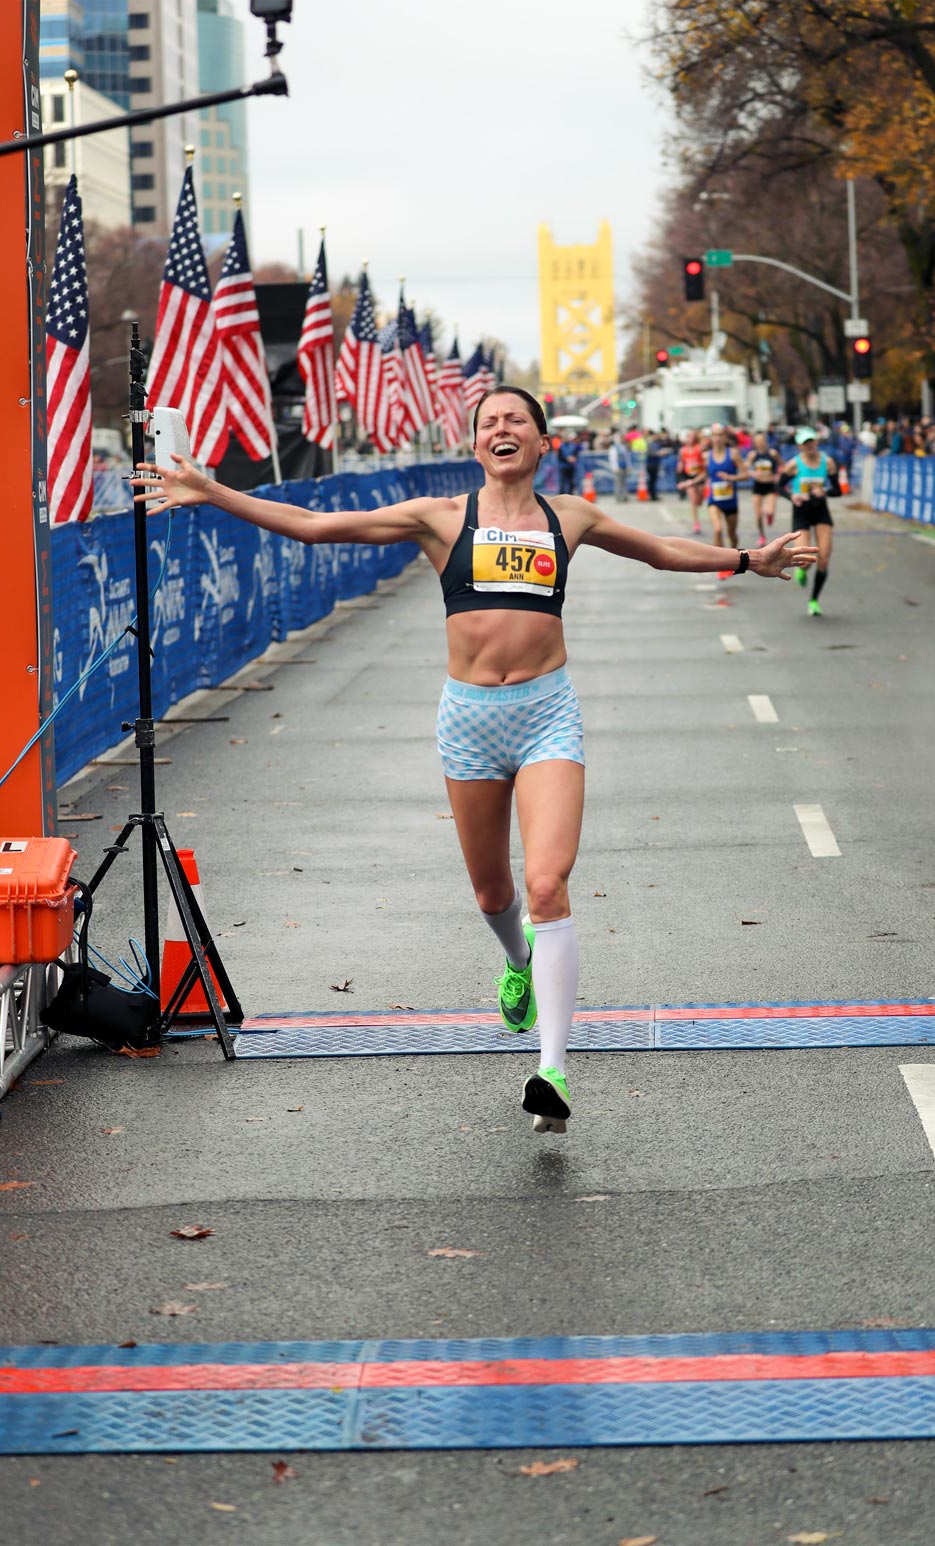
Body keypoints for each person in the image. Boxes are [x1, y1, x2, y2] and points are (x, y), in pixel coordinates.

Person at [132, 387, 817, 1136]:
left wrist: (748, 558)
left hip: (547, 714)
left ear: (542, 441)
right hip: (468, 722)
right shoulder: (441, 518)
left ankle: (552, 1068)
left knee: (547, 881)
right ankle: (517, 959)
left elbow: (661, 551)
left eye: (516, 419)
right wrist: (211, 491)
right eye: (490, 421)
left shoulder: (572, 517)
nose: (502, 428)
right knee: (494, 894)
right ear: (475, 444)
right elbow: (316, 527)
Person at [781, 425, 836, 617]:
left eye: (812, 441)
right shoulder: (793, 464)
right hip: (802, 511)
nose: (810, 445)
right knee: (806, 560)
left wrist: (825, 491)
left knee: (824, 558)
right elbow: (779, 486)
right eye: (806, 443)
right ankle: (802, 571)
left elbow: (838, 490)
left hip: (821, 511)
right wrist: (793, 496)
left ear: (817, 442)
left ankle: (814, 600)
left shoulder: (827, 463)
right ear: (799, 446)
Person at [705, 423, 744, 577]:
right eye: (715, 435)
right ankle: (721, 565)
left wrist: (731, 477)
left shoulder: (733, 454)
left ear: (726, 437)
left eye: (720, 435)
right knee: (718, 529)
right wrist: (691, 482)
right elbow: (705, 475)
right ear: (711, 438)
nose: (718, 438)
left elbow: (745, 474)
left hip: (730, 501)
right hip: (714, 500)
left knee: (732, 533)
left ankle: (733, 557)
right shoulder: (706, 456)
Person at [744, 430, 781, 547]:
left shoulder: (772, 453)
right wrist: (752, 473)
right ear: (754, 443)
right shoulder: (753, 455)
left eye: (762, 441)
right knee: (758, 514)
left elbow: (783, 465)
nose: (760, 443)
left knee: (769, 511)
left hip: (770, 486)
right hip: (758, 486)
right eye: (757, 441)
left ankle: (770, 515)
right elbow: (744, 468)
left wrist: (777, 476)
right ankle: (762, 535)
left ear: (766, 441)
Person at [676, 429, 706, 534]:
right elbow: (681, 461)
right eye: (689, 436)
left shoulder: (699, 449)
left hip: (699, 477)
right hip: (688, 477)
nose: (690, 439)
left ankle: (697, 507)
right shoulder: (682, 450)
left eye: (693, 436)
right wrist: (680, 466)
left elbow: (704, 462)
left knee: (699, 501)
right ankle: (696, 524)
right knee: (693, 501)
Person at [607, 432, 630, 503]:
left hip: (624, 467)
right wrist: (615, 467)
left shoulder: (624, 446)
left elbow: (627, 457)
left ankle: (624, 496)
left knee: (624, 482)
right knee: (618, 483)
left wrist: (628, 466)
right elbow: (612, 459)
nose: (623, 439)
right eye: (621, 438)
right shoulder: (614, 447)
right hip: (618, 468)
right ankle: (618, 497)